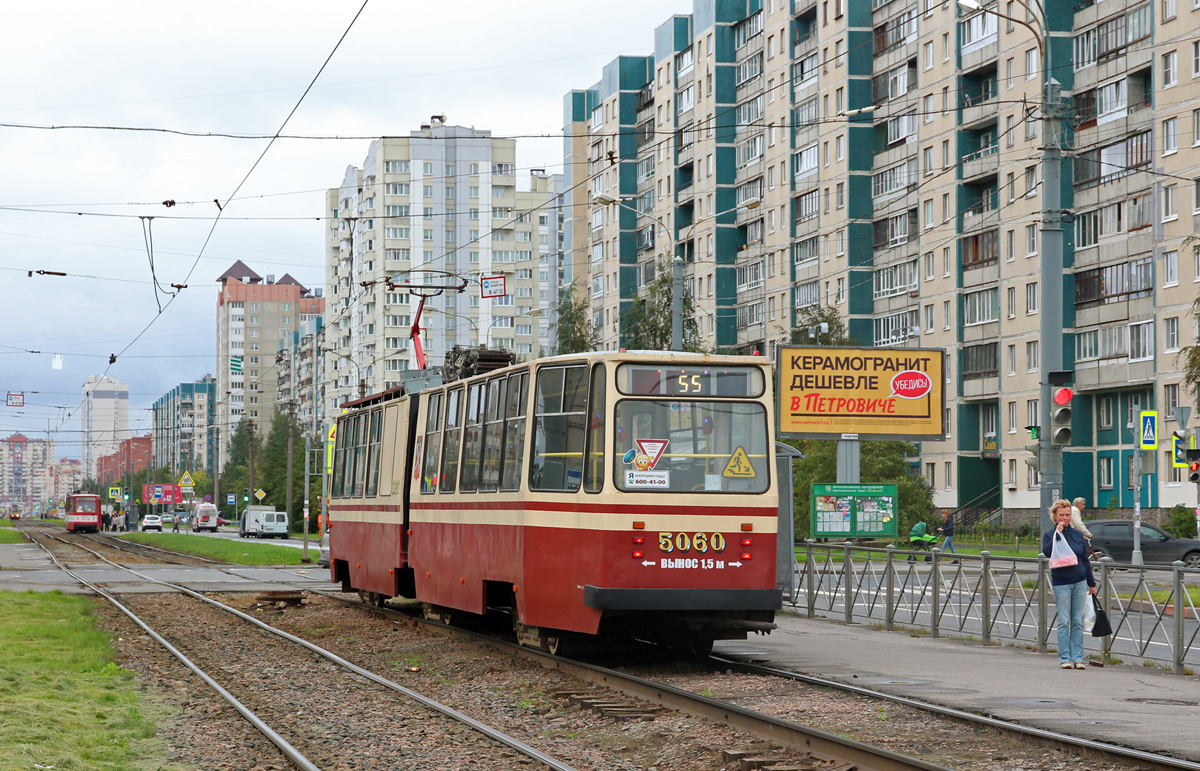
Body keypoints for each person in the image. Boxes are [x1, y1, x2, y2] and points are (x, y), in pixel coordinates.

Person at [1041, 499, 1097, 670]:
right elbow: (1048, 552)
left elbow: (1084, 560)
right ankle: (1065, 658)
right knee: (1064, 620)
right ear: (1055, 516)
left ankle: (1078, 658)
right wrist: (1058, 533)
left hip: (1079, 581)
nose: (1065, 518)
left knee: (1077, 621)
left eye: (1067, 515)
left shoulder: (1077, 535)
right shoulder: (1050, 535)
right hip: (1061, 582)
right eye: (1061, 515)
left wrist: (1091, 583)